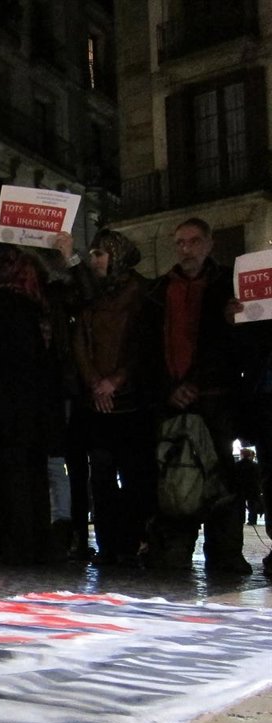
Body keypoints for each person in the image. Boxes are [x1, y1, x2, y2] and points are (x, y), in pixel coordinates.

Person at [142, 217, 247, 574]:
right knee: (174, 473)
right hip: (171, 398)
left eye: (194, 241)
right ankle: (175, 551)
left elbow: (233, 345)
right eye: (180, 243)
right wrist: (169, 389)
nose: (186, 249)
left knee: (220, 474)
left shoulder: (227, 284)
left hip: (215, 395)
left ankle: (225, 554)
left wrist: (234, 322)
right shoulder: (159, 291)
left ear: (209, 243)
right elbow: (147, 348)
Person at [70, 228, 153, 565]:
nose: (94, 261)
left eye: (99, 254)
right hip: (98, 403)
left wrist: (115, 381)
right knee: (101, 477)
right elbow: (80, 341)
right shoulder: (92, 296)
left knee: (135, 476)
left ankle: (131, 543)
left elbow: (142, 345)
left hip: (131, 402)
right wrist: (95, 383)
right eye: (92, 255)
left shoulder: (142, 293)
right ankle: (108, 546)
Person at [0, 245, 52, 565]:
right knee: (34, 473)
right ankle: (39, 544)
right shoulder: (34, 302)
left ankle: (16, 546)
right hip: (36, 405)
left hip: (5, 404)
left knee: (10, 472)